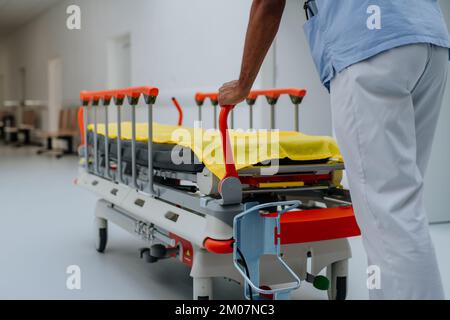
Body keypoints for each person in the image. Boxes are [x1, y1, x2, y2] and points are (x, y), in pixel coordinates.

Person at [218, 0, 450, 300]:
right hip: (428, 39)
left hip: (370, 48)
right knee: (403, 209)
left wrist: (243, 84)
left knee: (390, 215)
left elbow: (268, 3)